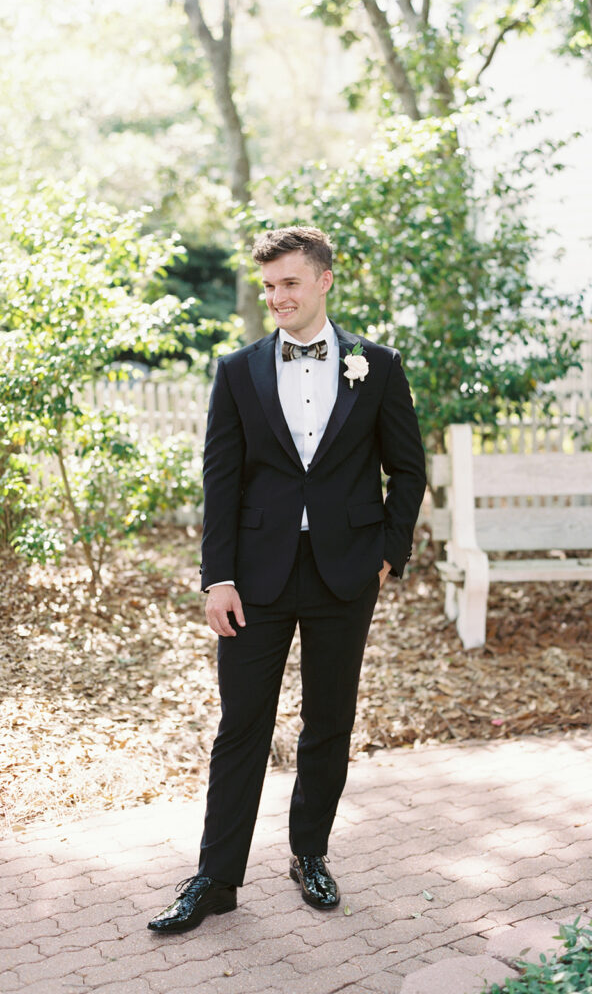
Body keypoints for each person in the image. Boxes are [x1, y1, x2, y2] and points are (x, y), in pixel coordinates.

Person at [147, 225, 426, 934]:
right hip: (255, 579)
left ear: (324, 280)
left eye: (290, 283)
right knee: (242, 725)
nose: (277, 297)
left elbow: (409, 468)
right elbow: (222, 481)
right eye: (268, 286)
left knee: (328, 722)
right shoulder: (238, 371)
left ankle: (310, 857)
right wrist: (218, 578)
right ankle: (215, 877)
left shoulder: (378, 366)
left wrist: (389, 551)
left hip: (345, 574)